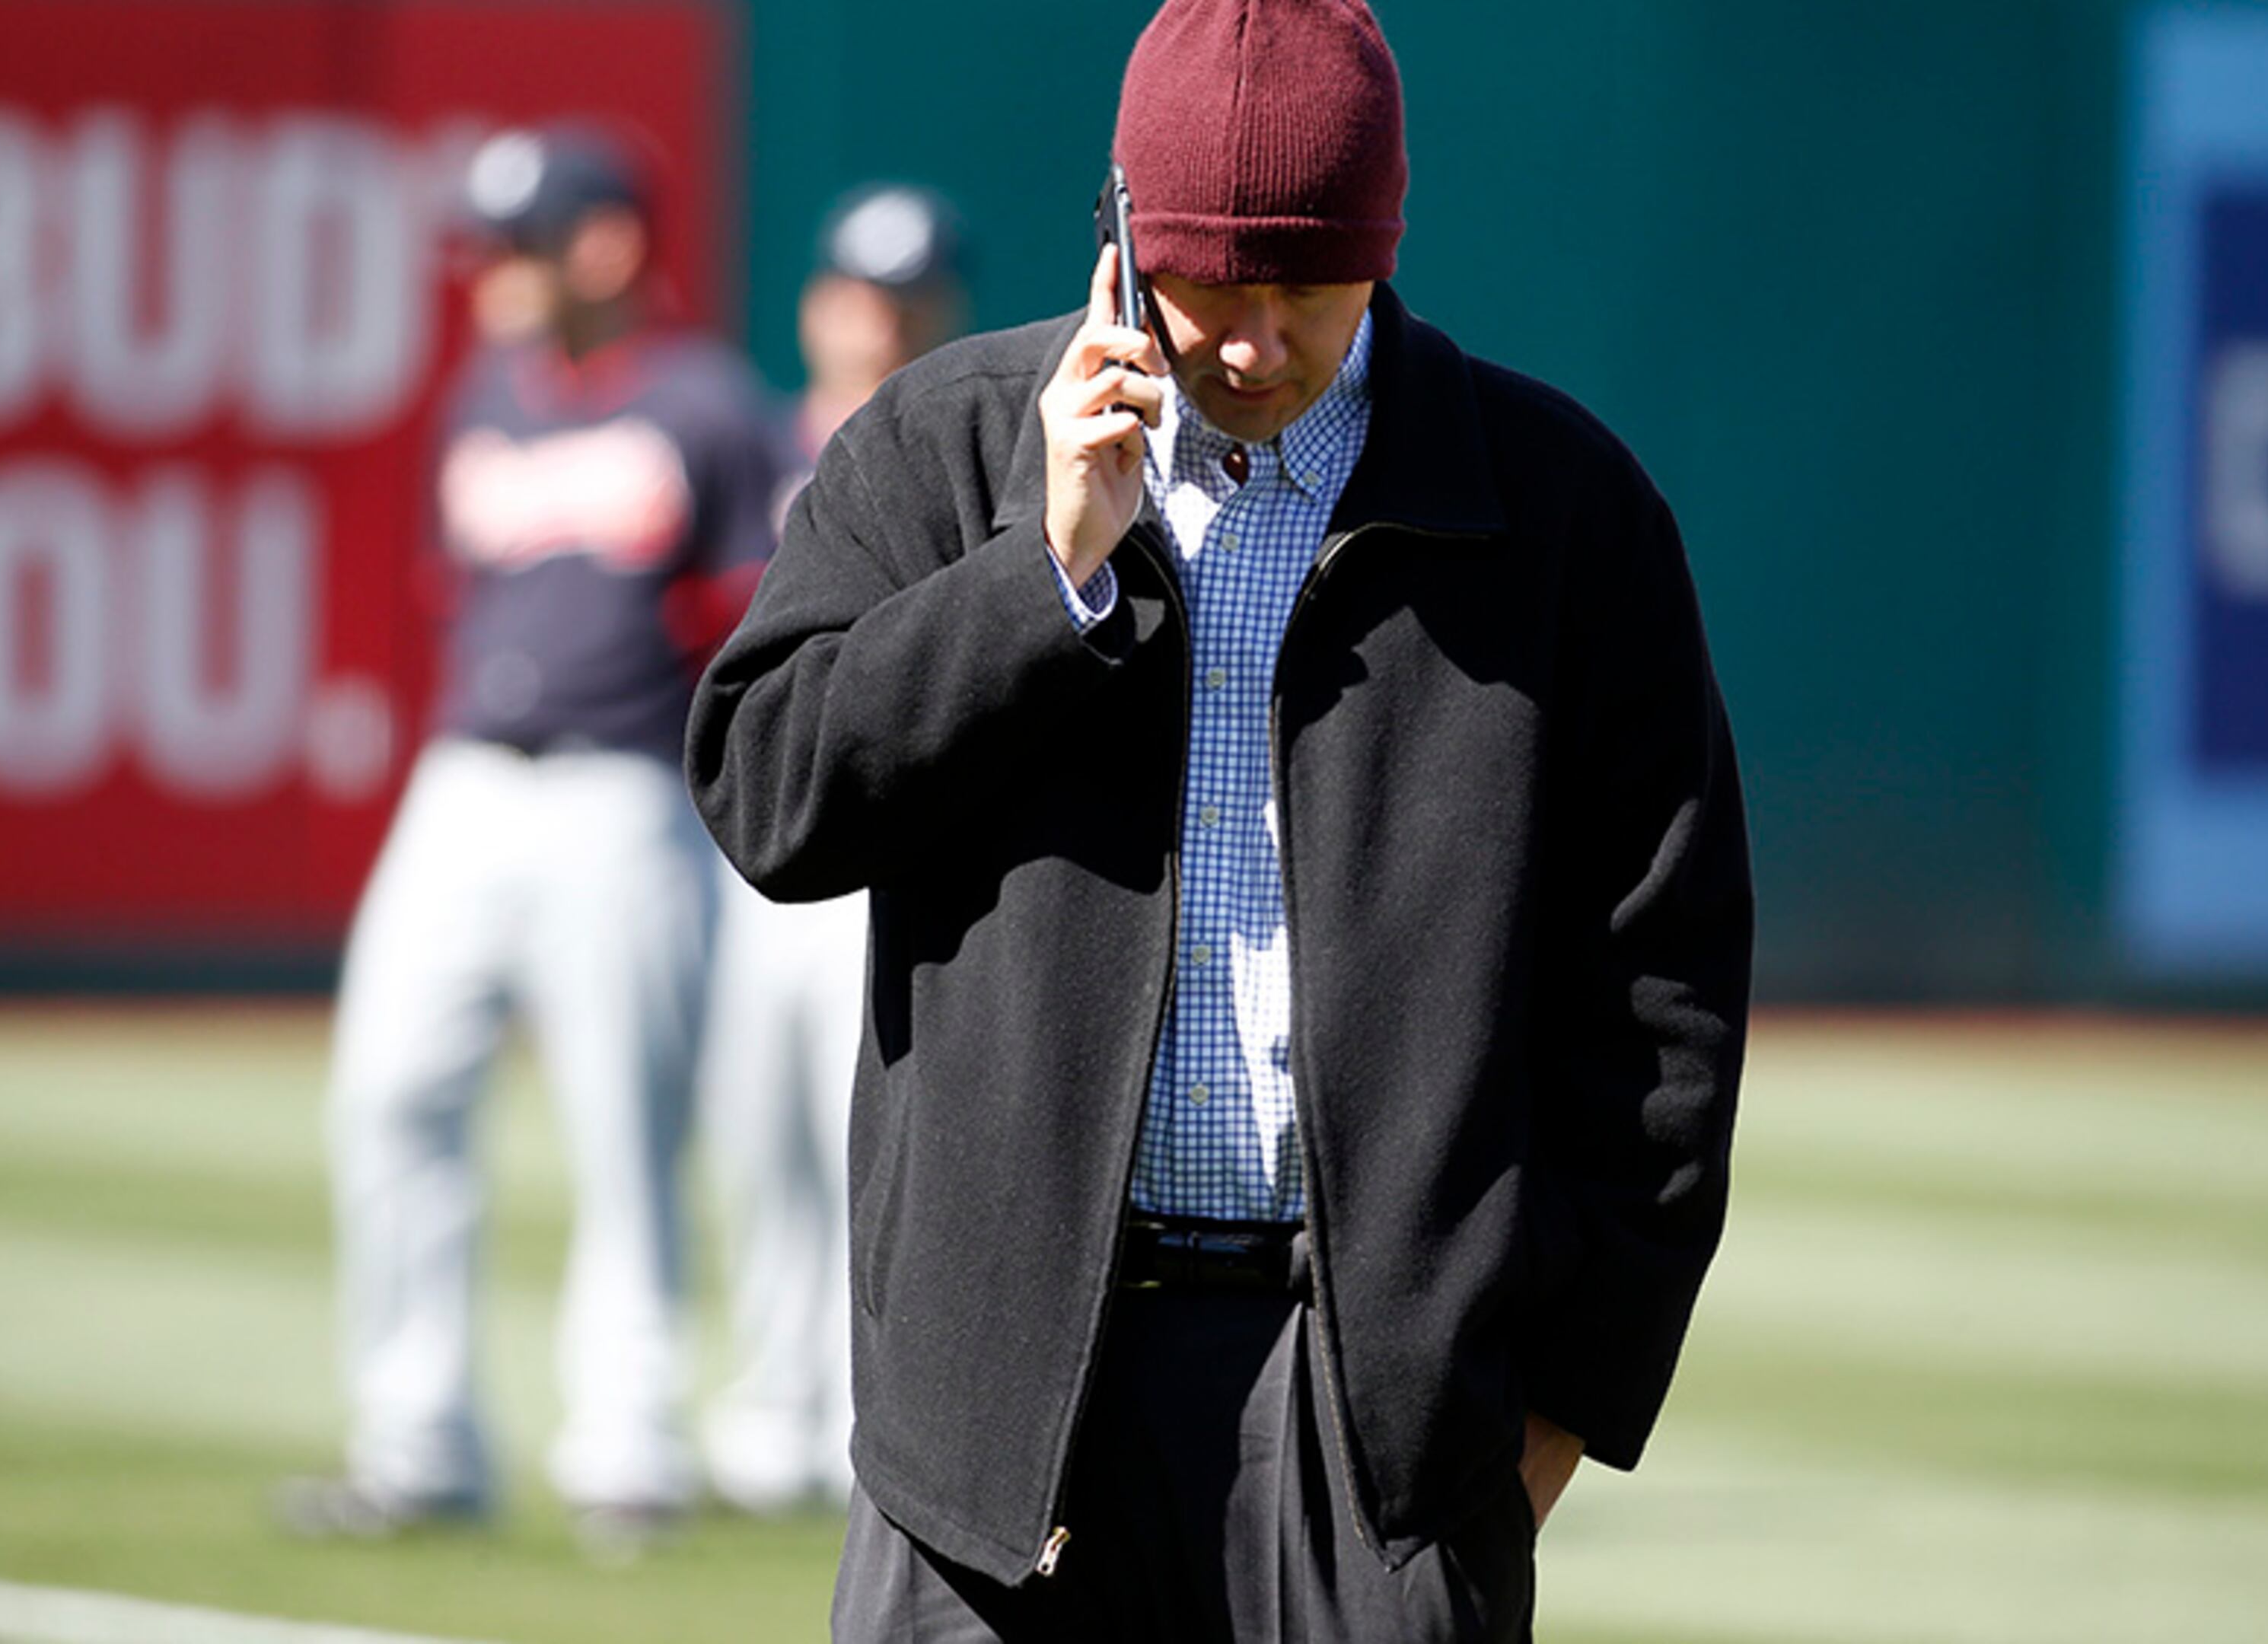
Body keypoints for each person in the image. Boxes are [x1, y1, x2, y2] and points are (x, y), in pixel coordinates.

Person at [686, 0, 1751, 1636]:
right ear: (1120, 238)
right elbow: (771, 801)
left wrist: (1552, 1405)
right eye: (1208, 285)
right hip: (995, 1431)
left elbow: (1663, 986)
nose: (1254, 339)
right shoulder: (947, 443)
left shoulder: (1562, 512)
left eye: (1309, 285)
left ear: (1386, 245)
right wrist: (1041, 576)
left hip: (1376, 1440)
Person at [281, 126, 780, 1552]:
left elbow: (752, 621)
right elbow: (460, 594)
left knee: (625, 1135)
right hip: (465, 785)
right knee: (387, 1095)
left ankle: (627, 1448)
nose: (491, 275)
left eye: (518, 245)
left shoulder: (706, 406)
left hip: (624, 796)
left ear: (607, 246)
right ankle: (415, 1440)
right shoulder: (481, 395)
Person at [697, 183, 973, 1517]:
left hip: (903, 850)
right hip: (767, 843)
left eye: (908, 302)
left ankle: (861, 1420)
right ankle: (768, 1407)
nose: (880, 325)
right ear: (818, 307)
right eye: (862, 298)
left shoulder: (975, 453)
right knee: (759, 1139)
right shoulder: (751, 454)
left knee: (869, 1136)